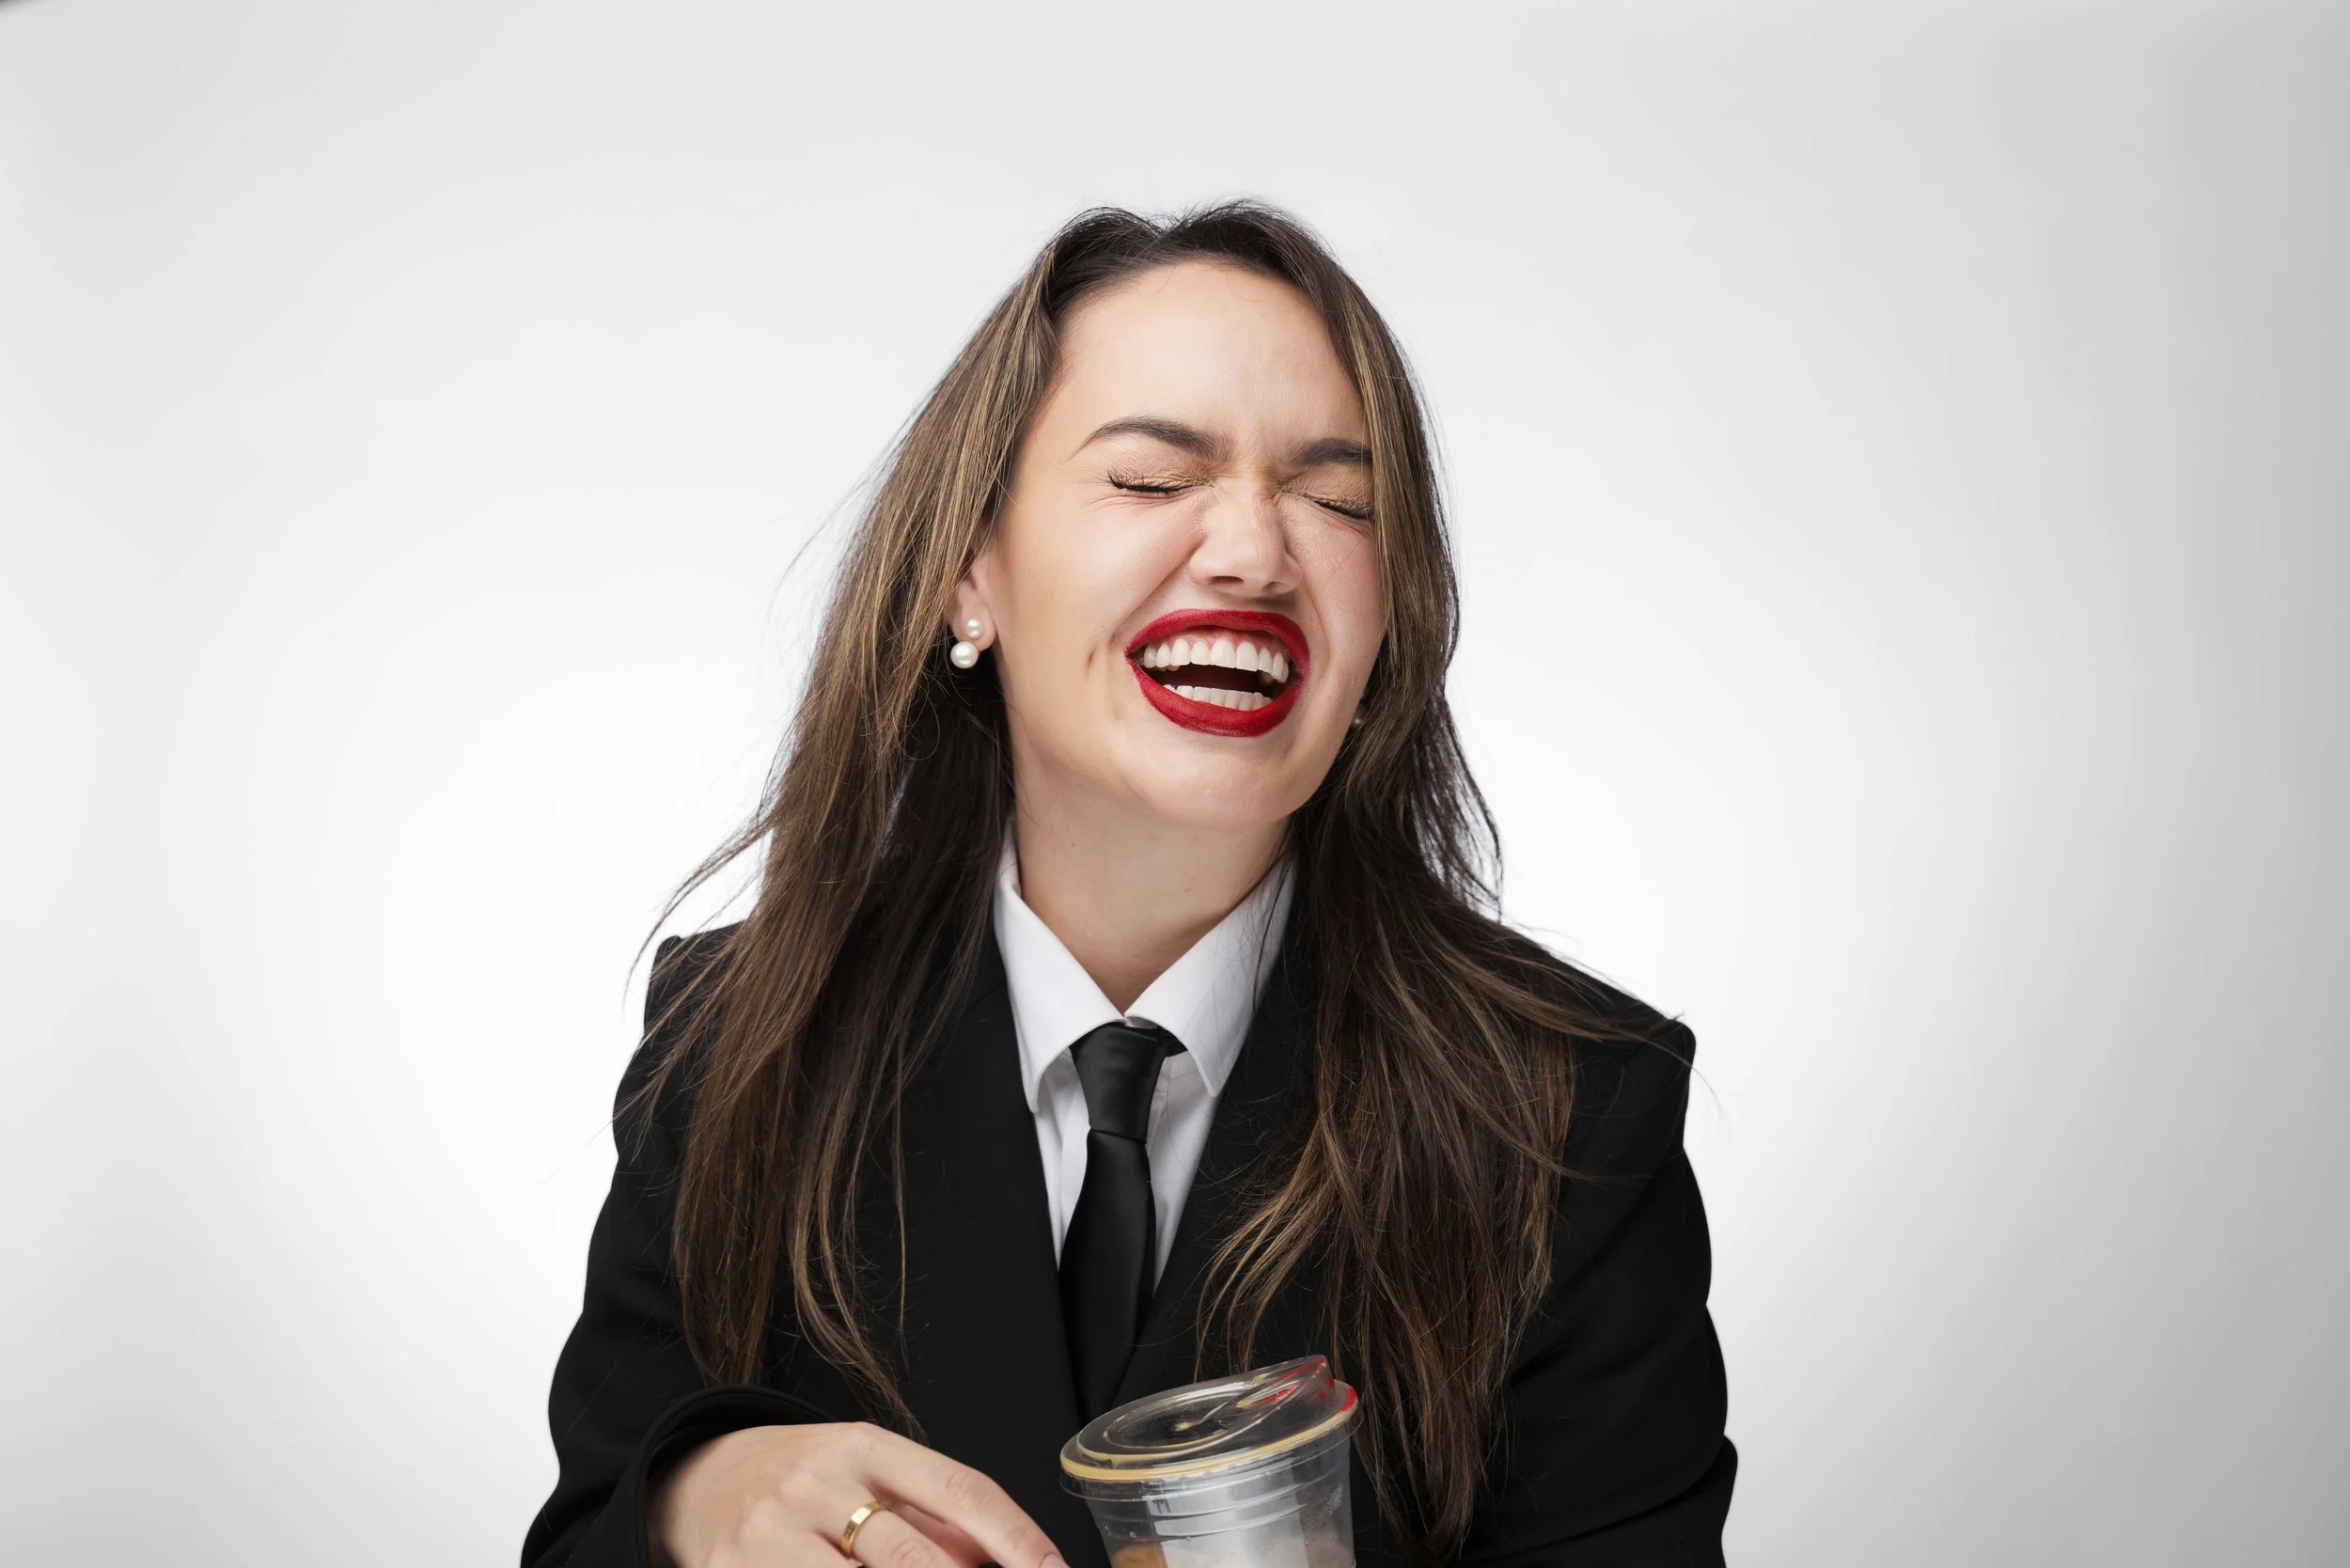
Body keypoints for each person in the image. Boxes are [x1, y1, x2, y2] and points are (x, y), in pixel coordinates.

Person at [523, 203, 1732, 1568]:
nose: (1257, 554)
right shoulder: (737, 1038)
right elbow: (585, 1533)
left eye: (1341, 501)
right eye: (1156, 480)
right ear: (968, 575)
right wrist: (691, 1506)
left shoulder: (1571, 1108)